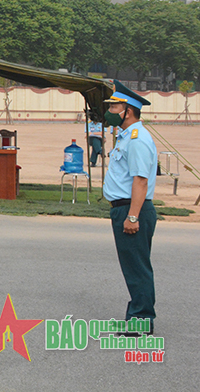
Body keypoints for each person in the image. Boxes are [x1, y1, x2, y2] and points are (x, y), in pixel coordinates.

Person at [102, 80, 158, 335]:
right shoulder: (126, 137)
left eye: (114, 107)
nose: (109, 111)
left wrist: (133, 216)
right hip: (124, 208)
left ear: (129, 111)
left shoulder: (136, 139)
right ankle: (138, 315)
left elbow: (140, 180)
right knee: (133, 267)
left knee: (137, 268)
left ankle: (141, 320)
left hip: (132, 209)